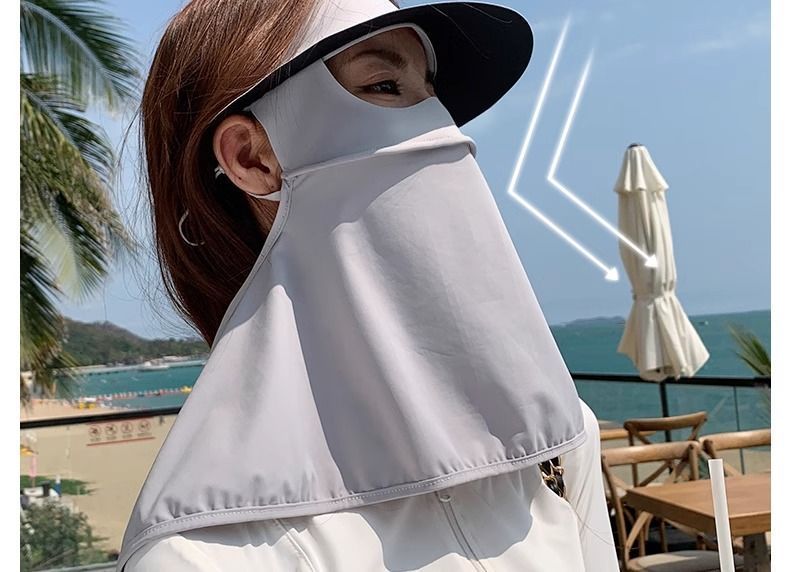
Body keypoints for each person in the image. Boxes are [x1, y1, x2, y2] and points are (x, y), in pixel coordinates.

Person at [117, 0, 618, 570]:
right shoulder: (202, 555)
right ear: (251, 157)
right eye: (383, 85)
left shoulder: (558, 440)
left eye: (432, 93)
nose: (441, 126)